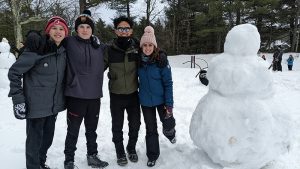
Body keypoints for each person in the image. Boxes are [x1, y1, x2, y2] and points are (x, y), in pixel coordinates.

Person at [8, 16, 68, 169]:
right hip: (35, 107)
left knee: (47, 139)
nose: (58, 31)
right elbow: (14, 72)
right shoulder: (37, 49)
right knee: (34, 143)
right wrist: (18, 99)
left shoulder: (63, 51)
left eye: (61, 29)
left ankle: (41, 163)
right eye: (54, 28)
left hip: (53, 106)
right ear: (48, 31)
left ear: (66, 33)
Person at [63, 9, 108, 169]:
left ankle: (92, 156)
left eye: (88, 27)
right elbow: (52, 39)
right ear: (76, 29)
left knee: (92, 130)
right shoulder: (68, 42)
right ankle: (69, 160)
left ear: (92, 30)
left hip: (94, 96)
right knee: (73, 131)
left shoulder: (100, 46)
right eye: (81, 26)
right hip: (76, 95)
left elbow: (119, 50)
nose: (85, 30)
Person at [104, 16, 141, 166]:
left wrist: (162, 55)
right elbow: (97, 66)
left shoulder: (137, 47)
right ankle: (120, 151)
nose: (124, 31)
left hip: (133, 94)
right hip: (116, 95)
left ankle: (131, 148)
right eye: (121, 28)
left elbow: (152, 50)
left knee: (135, 124)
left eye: (127, 28)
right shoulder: (109, 49)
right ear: (116, 31)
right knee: (117, 126)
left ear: (131, 31)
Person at [138, 26, 176, 167]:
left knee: (168, 122)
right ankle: (152, 155)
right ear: (141, 46)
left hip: (162, 101)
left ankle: (171, 133)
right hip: (146, 102)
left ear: (154, 46)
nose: (147, 48)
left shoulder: (161, 61)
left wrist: (169, 104)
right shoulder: (138, 62)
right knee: (151, 129)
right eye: (145, 45)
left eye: (150, 45)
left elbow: (168, 83)